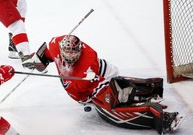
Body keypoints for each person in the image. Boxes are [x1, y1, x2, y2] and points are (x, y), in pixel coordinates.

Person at [24, 35, 184, 134]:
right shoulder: (55, 44)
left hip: (101, 80)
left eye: (75, 53)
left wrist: (93, 98)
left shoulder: (87, 64)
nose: (71, 56)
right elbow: (46, 52)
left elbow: (92, 89)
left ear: (80, 50)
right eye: (68, 53)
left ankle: (160, 118)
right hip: (89, 87)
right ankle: (152, 89)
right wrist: (38, 61)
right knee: (111, 99)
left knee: (112, 109)